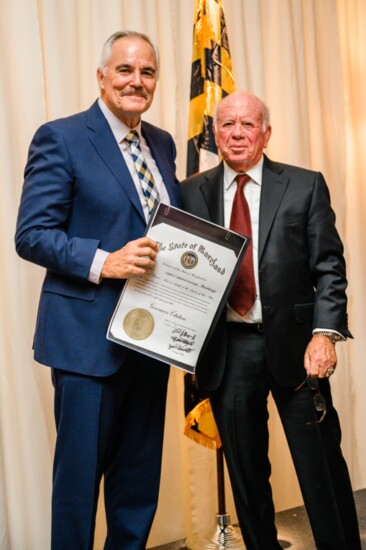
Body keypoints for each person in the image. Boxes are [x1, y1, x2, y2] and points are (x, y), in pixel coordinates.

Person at [15, 30, 181, 550]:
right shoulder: (60, 137)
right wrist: (104, 262)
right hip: (87, 344)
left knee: (137, 487)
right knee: (78, 485)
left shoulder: (163, 143)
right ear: (102, 76)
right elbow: (31, 234)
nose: (137, 81)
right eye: (126, 70)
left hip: (150, 343)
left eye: (147, 72)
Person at [180, 91, 361, 550]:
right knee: (246, 474)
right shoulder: (190, 192)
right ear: (215, 134)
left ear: (266, 132)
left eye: (248, 124)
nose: (237, 133)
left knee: (320, 467)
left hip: (299, 349)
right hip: (229, 351)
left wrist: (326, 334)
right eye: (227, 125)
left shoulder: (304, 185)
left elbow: (329, 268)